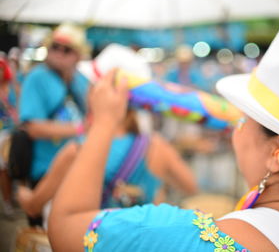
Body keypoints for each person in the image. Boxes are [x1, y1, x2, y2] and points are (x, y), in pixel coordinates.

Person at [48, 23, 279, 251]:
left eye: (245, 118)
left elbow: (64, 227)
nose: (236, 128)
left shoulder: (175, 237)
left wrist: (103, 125)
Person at [17, 105, 198, 217]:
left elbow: (34, 207)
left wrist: (21, 193)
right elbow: (190, 186)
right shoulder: (157, 145)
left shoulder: (77, 150)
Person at [19, 23, 90, 186]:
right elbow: (33, 128)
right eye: (55, 47)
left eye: (67, 49)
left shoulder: (81, 79)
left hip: (77, 168)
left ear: (79, 55)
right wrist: (81, 128)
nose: (59, 53)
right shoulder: (37, 77)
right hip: (47, 172)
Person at [0, 58, 18, 216]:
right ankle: (7, 202)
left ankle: (13, 198)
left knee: (14, 167)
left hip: (13, 132)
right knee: (3, 170)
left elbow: (19, 104)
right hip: (1, 134)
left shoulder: (12, 86)